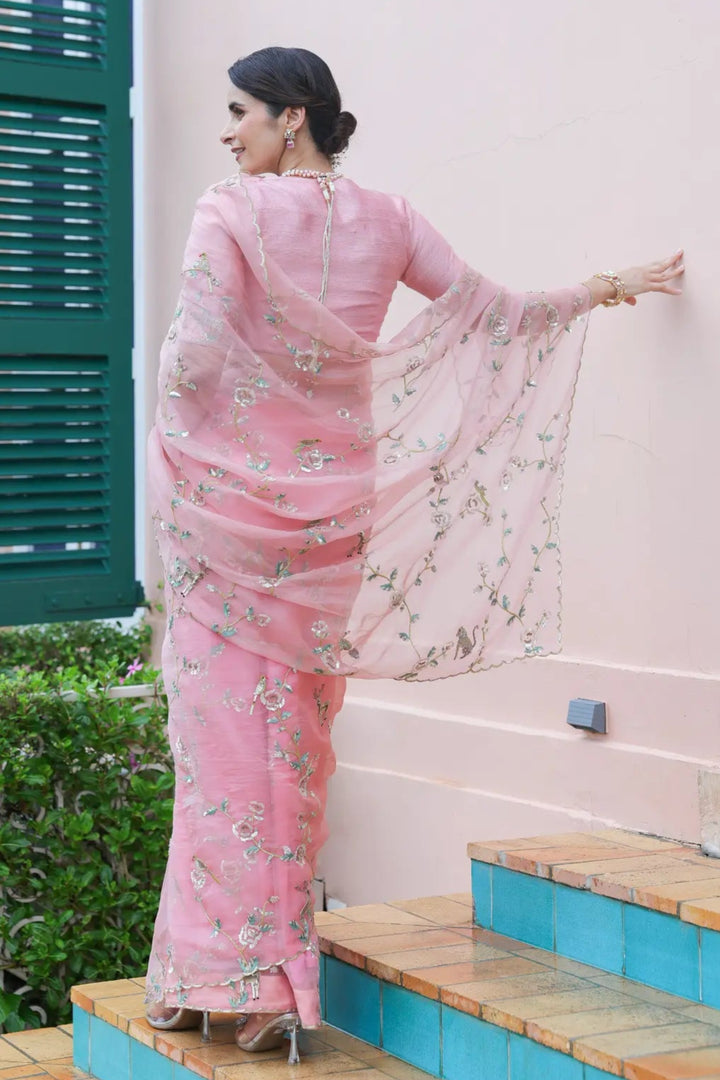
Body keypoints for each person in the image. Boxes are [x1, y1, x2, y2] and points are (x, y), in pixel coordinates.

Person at [143, 46, 684, 1063]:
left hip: (232, 522)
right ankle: (231, 978)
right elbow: (498, 314)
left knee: (222, 753)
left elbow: (196, 359)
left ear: (291, 117)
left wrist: (174, 456)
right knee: (291, 742)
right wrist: (606, 287)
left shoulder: (228, 211)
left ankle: (233, 977)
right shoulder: (389, 219)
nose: (228, 130)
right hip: (332, 520)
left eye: (241, 111)